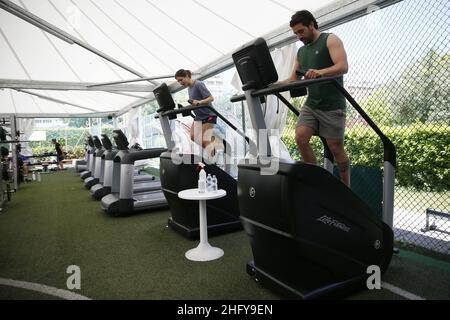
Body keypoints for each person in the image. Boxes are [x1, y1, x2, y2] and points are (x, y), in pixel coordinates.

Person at [284, 10, 351, 186]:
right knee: (300, 137)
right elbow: (293, 79)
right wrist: (272, 85)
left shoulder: (330, 39)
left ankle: (346, 188)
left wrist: (320, 72)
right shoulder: (301, 52)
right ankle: (316, 181)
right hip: (312, 104)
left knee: (335, 147)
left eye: (301, 31)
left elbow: (343, 66)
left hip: (332, 104)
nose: (299, 36)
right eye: (296, 33)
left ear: (312, 24)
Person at [175, 69, 217, 159]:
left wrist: (200, 102)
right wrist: (185, 107)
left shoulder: (198, 84)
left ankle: (212, 159)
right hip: (199, 116)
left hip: (209, 115)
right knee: (193, 137)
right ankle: (211, 145)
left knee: (205, 140)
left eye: (181, 80)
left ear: (187, 76)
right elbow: (195, 102)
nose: (180, 82)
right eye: (178, 81)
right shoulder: (189, 88)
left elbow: (211, 98)